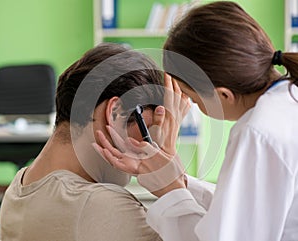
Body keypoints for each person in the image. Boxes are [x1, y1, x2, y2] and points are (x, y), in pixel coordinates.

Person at [95, 1, 298, 241]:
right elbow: (243, 210)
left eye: (191, 97)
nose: (191, 106)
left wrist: (170, 191)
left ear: (223, 95)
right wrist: (179, 180)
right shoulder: (286, 102)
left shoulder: (256, 132)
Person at [0, 42, 164, 241]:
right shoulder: (100, 205)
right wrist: (172, 180)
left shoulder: (17, 187)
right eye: (147, 132)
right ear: (115, 112)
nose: (149, 148)